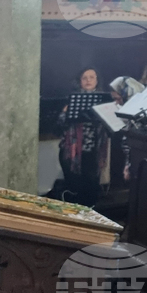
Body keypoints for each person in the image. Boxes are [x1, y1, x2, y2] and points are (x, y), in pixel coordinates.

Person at [57, 68, 110, 207]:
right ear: (79, 81)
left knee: (91, 189)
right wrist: (64, 113)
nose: (88, 80)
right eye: (84, 77)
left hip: (93, 152)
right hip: (73, 152)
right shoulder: (71, 99)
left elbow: (110, 127)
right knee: (74, 189)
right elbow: (59, 125)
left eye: (92, 77)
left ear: (97, 81)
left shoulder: (104, 100)